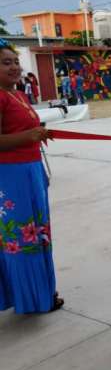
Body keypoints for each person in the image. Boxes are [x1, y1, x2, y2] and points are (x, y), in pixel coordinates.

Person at [0, 38, 64, 314]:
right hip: (10, 175)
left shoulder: (18, 94)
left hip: (30, 170)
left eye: (15, 61)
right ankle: (32, 298)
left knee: (38, 234)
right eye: (6, 63)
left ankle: (41, 292)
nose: (14, 67)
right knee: (22, 237)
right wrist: (29, 136)